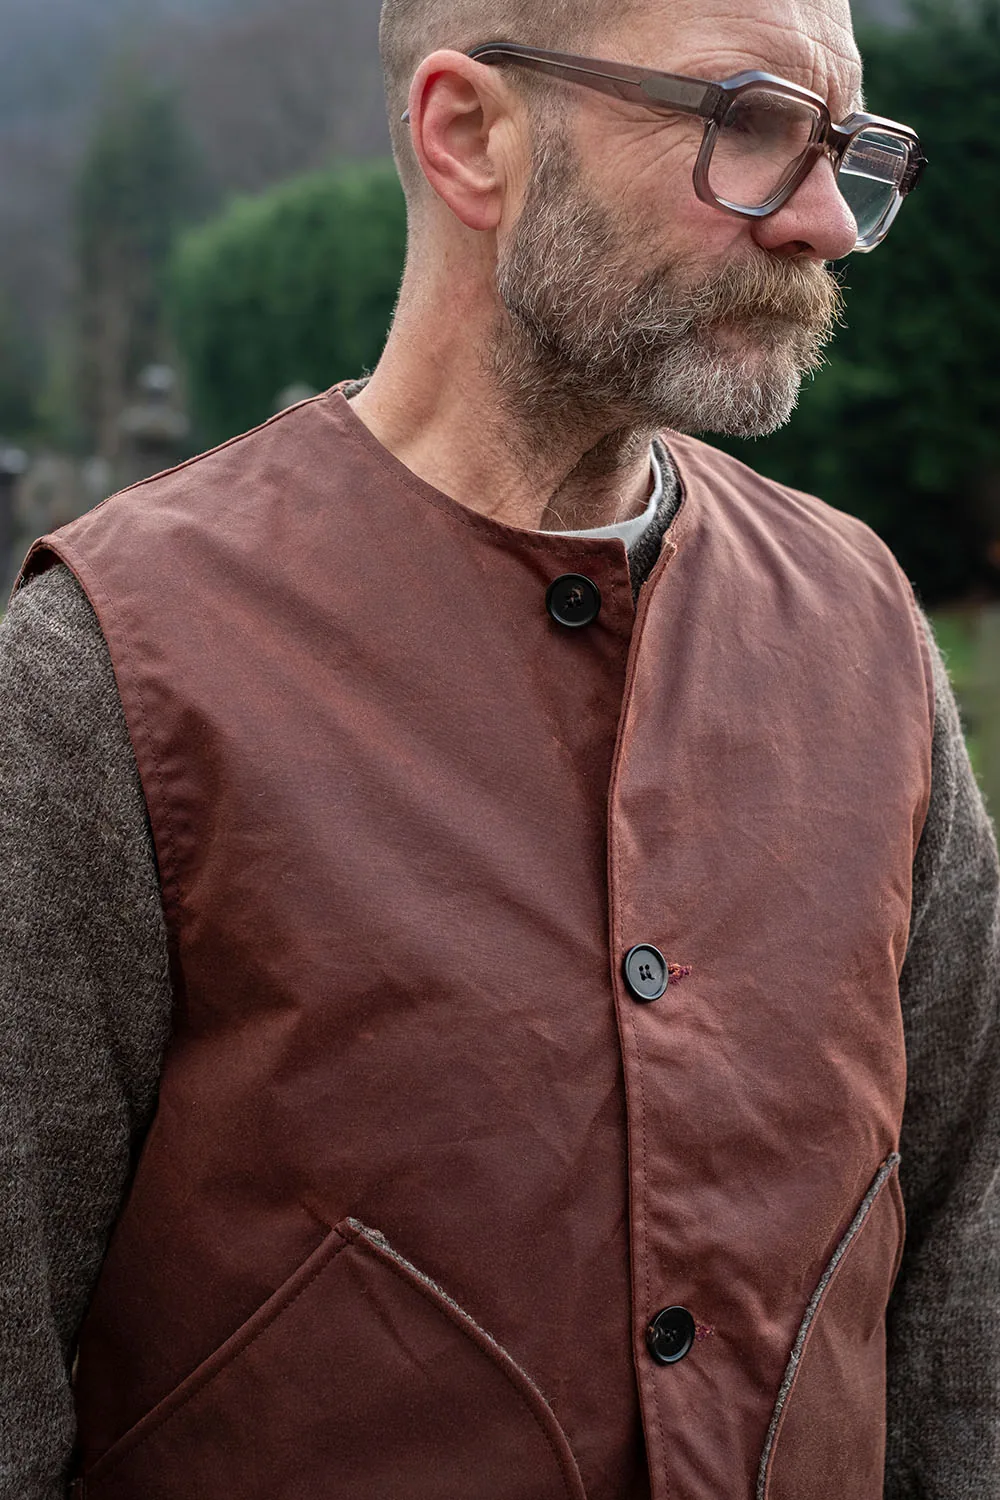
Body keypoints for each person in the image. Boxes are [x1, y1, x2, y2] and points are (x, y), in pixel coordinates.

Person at [1, 0, 997, 1495]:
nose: (825, 224)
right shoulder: (108, 667)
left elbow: (967, 1238)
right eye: (746, 123)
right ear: (471, 135)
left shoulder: (864, 624)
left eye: (847, 146)